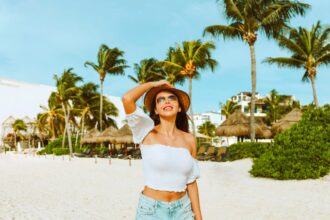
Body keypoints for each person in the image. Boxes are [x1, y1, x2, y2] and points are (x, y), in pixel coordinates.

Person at [122, 80, 202, 220]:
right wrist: (154, 84)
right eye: (161, 100)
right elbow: (127, 99)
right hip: (151, 210)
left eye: (172, 98)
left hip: (183, 210)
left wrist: (199, 217)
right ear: (155, 110)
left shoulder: (189, 140)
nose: (167, 101)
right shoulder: (146, 131)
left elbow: (191, 182)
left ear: (179, 108)